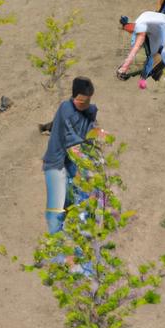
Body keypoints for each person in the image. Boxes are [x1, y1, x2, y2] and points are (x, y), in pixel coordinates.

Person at [42, 77, 98, 234]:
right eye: (82, 101)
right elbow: (74, 144)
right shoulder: (66, 109)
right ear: (75, 97)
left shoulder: (87, 110)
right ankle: (53, 247)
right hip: (56, 164)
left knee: (78, 196)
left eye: (88, 101)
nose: (85, 104)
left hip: (70, 164)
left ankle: (79, 229)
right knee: (56, 210)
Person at [117, 11, 165, 86]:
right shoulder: (150, 33)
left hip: (159, 57)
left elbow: (137, 47)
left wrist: (125, 68)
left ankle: (152, 73)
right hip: (159, 55)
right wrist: (125, 24)